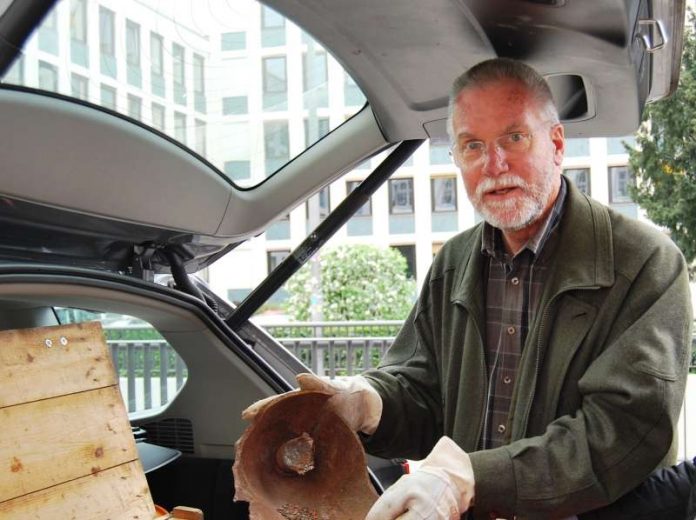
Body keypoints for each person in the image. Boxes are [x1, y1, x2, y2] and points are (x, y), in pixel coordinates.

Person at [243, 58, 693, 519]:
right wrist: (369, 403)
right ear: (456, 159)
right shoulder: (453, 262)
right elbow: (423, 394)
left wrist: (472, 478)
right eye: (472, 145)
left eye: (513, 138)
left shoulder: (644, 263)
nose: (494, 165)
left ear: (556, 145)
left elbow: (625, 430)